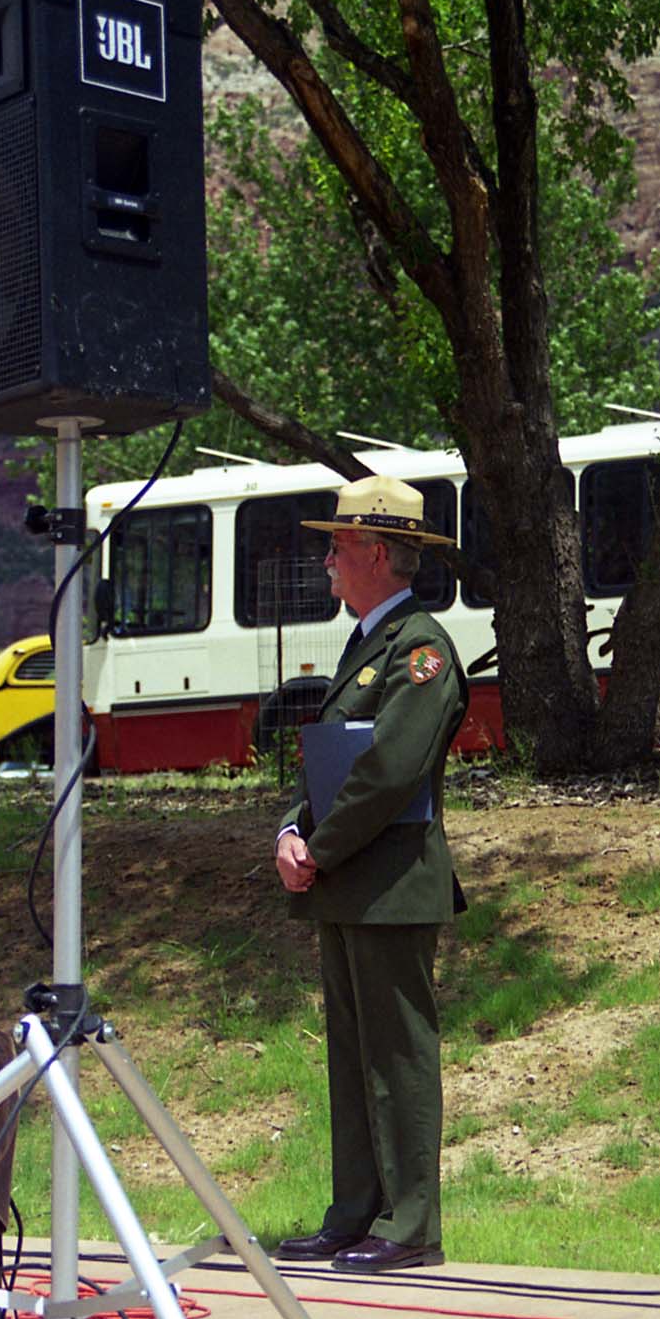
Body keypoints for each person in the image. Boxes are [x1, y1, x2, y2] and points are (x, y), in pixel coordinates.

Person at [273, 475, 468, 1274]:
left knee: (398, 1060)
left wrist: (317, 848)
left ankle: (412, 1224)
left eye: (338, 546)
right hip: (352, 884)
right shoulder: (370, 644)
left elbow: (390, 769)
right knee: (353, 1061)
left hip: (389, 884)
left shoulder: (422, 650)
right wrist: (292, 825)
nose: (326, 560)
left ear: (378, 553)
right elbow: (332, 754)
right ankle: (355, 1211)